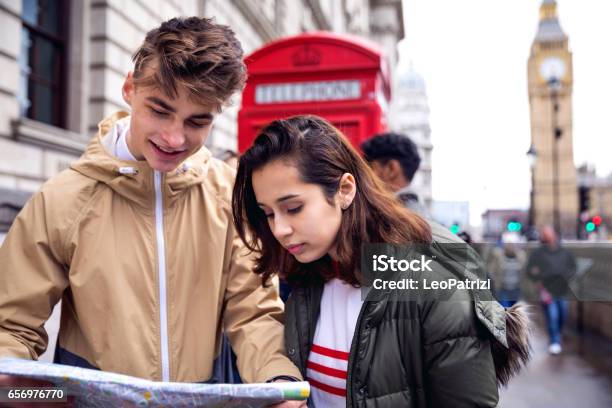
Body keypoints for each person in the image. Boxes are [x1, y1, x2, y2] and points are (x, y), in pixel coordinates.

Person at [0, 16, 304, 404]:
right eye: (160, 110)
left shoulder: (229, 195)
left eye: (197, 121)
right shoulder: (62, 198)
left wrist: (277, 379)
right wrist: (17, 387)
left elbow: (254, 313)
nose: (175, 137)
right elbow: (11, 324)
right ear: (129, 88)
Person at [232, 116, 531, 407]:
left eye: (293, 208)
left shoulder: (433, 282)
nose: (279, 229)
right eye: (269, 213)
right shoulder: (307, 277)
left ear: (345, 190)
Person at [527, 225, 576, 355]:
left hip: (562, 289)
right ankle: (554, 341)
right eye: (544, 234)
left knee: (562, 315)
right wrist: (537, 279)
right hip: (546, 290)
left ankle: (557, 335)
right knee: (552, 315)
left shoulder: (564, 252)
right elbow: (530, 270)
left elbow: (573, 267)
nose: (546, 236)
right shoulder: (537, 253)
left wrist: (567, 276)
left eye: (548, 233)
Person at [361, 132, 427, 216]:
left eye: (370, 167)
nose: (364, 175)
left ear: (391, 169)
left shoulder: (390, 219)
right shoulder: (420, 212)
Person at [489, 232, 527, 308]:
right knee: (505, 311)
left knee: (516, 312)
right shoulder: (498, 255)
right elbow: (491, 270)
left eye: (512, 244)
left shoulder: (521, 256)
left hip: (516, 290)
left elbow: (525, 271)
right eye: (508, 244)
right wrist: (495, 281)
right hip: (503, 289)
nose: (510, 246)